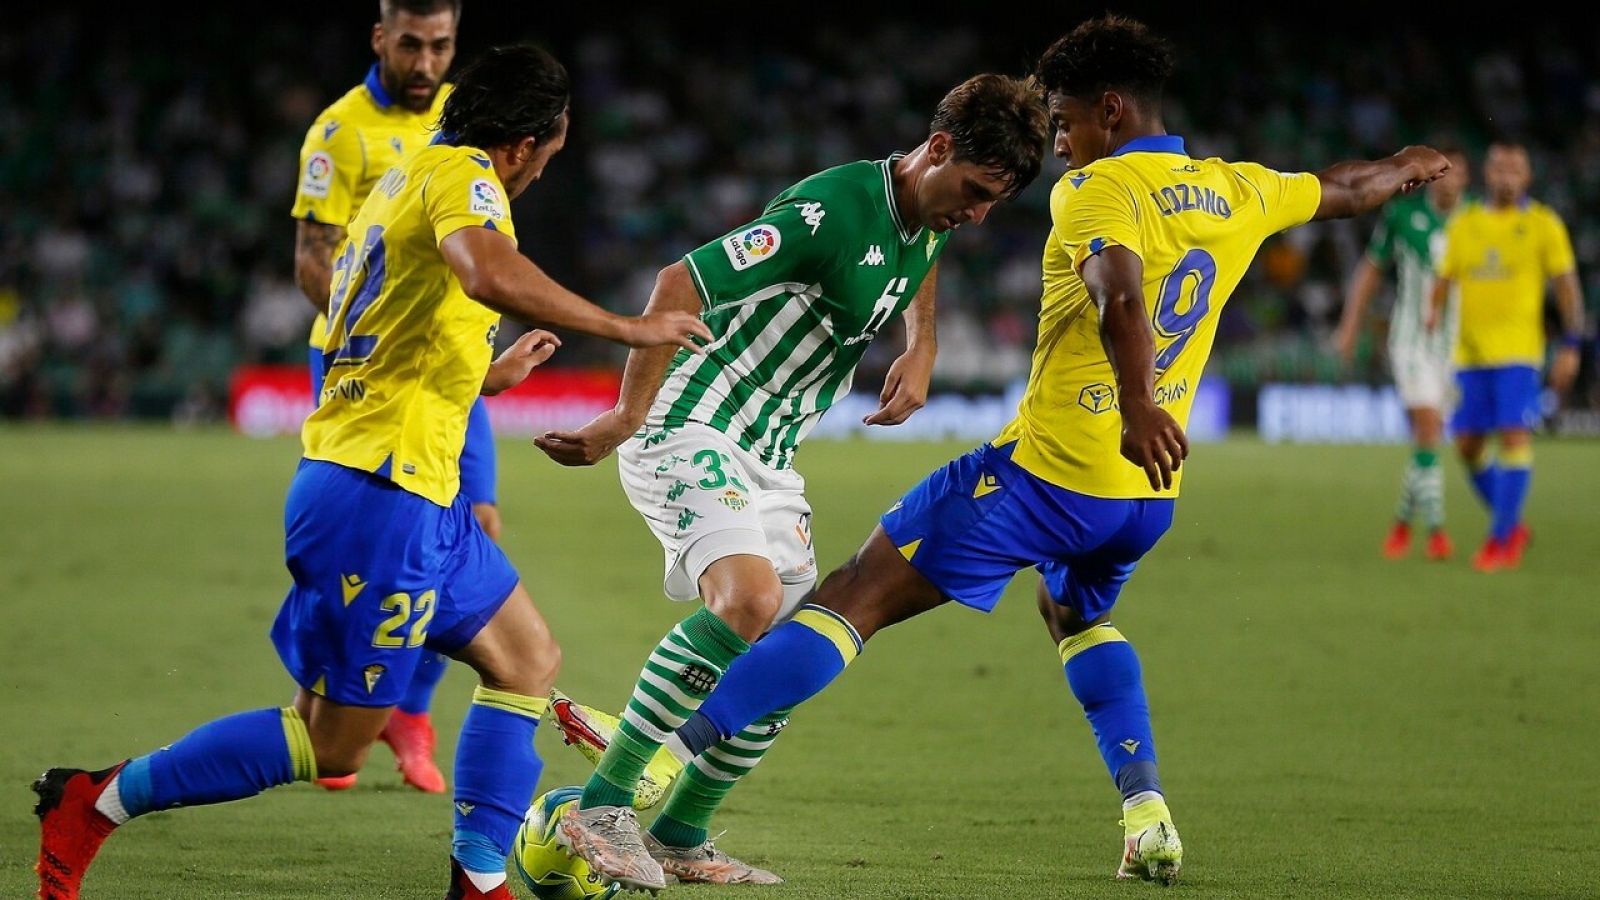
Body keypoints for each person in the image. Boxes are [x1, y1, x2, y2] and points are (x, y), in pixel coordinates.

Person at [556, 15, 1450, 890]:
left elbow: (1119, 292)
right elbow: (1344, 187)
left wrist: (1134, 400)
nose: (1061, 144)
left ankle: (647, 777)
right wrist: (1410, 167)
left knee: (846, 605)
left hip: (1046, 474)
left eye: (1064, 121)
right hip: (1144, 497)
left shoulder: (1096, 192)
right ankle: (1147, 816)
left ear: (1110, 110)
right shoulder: (1239, 187)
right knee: (1075, 619)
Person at [32, 44, 710, 900]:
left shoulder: (405, 175)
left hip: (412, 487)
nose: (542, 173)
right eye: (551, 154)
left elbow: (395, 329)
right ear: (526, 144)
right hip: (377, 498)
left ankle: (481, 881)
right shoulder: (464, 176)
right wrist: (626, 327)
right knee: (332, 744)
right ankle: (95, 801)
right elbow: (483, 270)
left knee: (526, 662)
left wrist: (487, 376)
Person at [536, 73, 1051, 890]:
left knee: (788, 656)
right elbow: (680, 282)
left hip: (771, 455)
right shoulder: (832, 213)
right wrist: (627, 418)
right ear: (939, 150)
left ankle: (681, 834)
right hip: (693, 419)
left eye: (996, 202)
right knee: (747, 602)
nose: (978, 215)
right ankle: (601, 805)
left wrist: (924, 346)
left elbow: (925, 253)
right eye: (976, 192)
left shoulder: (927, 211)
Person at [289, 0, 471, 796]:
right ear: (380, 39)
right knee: (356, 548)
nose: (426, 63)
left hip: (451, 366)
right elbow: (311, 257)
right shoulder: (339, 132)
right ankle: (331, 705)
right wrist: (365, 334)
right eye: (410, 45)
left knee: (474, 527)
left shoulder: (465, 119)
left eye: (440, 46)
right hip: (366, 373)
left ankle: (409, 709)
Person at [1425, 142, 1586, 572]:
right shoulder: (1465, 224)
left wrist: (1572, 343)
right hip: (1469, 355)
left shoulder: (1543, 224)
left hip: (1519, 353)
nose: (1507, 176)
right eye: (1499, 167)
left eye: (1516, 167)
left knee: (1514, 436)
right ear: (1486, 174)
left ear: (1528, 175)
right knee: (1468, 446)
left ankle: (1499, 541)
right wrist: (1431, 314)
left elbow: (1567, 287)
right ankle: (1510, 521)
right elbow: (1444, 278)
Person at [1333, 148, 1469, 561]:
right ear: (1431, 175)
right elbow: (1371, 269)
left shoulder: (1476, 222)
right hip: (1410, 342)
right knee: (1428, 430)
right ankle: (1438, 533)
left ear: (1466, 179)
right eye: (1442, 171)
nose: (1448, 179)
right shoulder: (1402, 217)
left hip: (1458, 346)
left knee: (1429, 440)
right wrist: (1349, 327)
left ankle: (1400, 525)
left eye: (1456, 173)